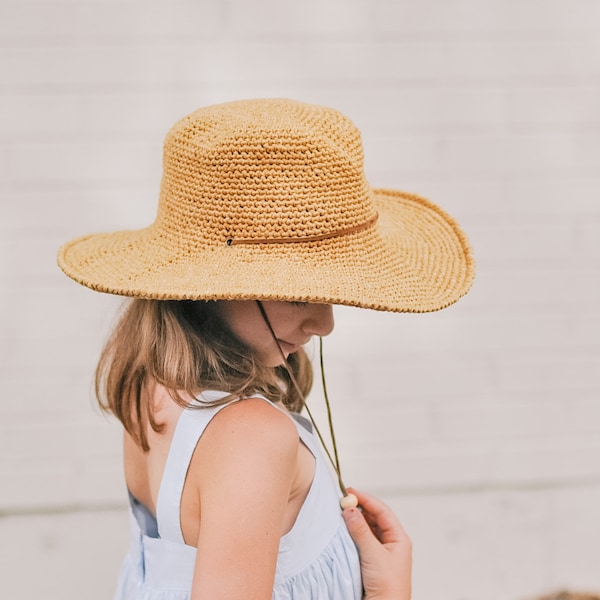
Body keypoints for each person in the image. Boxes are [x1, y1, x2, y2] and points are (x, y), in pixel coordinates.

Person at [57, 98, 474, 599]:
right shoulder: (253, 437)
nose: (325, 323)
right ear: (214, 282)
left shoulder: (154, 391)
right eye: (299, 293)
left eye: (334, 292)